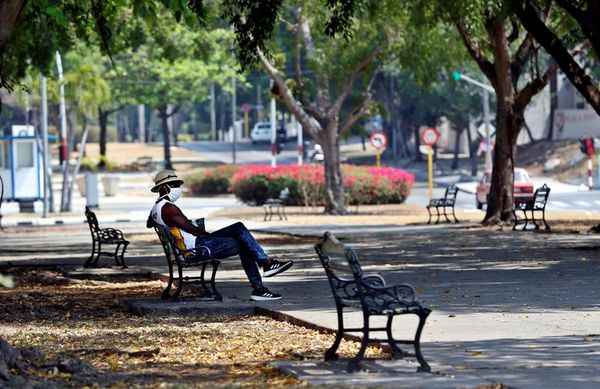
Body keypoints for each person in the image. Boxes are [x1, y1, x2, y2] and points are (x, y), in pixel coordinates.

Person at [147, 170, 293, 301]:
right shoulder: (168, 208)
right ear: (164, 187)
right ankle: (262, 279)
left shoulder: (157, 207)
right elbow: (192, 230)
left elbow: (150, 223)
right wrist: (209, 235)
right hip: (196, 249)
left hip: (195, 244)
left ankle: (266, 266)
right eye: (174, 185)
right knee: (244, 243)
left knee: (238, 228)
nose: (177, 188)